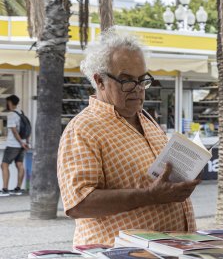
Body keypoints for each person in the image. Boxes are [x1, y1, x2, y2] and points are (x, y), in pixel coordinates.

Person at [57, 31, 200, 246]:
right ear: (100, 81)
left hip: (167, 254)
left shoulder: (146, 119)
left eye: (142, 80)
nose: (138, 89)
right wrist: (149, 196)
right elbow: (79, 204)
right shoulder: (83, 129)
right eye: (126, 81)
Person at [1, 95, 29, 196]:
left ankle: (5, 189)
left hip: (13, 144)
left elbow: (14, 131)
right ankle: (18, 189)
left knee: (4, 165)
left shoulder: (11, 114)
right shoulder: (21, 112)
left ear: (10, 102)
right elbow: (27, 128)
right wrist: (25, 142)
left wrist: (20, 142)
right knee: (19, 165)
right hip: (22, 144)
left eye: (7, 102)